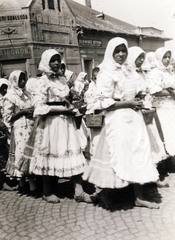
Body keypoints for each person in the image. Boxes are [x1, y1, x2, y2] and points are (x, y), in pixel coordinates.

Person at [82, 37, 160, 210]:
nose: (121, 54)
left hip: (135, 118)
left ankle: (139, 196)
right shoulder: (106, 72)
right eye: (117, 51)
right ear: (111, 52)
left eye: (123, 50)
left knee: (139, 153)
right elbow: (103, 102)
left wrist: (137, 99)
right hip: (117, 118)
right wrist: (127, 104)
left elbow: (136, 90)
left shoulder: (130, 70)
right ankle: (106, 193)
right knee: (117, 155)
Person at [18, 49, 96, 203]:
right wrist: (62, 110)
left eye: (58, 60)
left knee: (74, 152)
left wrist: (71, 107)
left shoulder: (61, 80)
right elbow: (39, 107)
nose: (56, 63)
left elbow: (63, 99)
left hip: (66, 122)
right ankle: (47, 192)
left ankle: (78, 191)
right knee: (50, 154)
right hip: (51, 124)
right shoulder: (42, 81)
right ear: (46, 62)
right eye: (52, 60)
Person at [127, 46, 168, 187]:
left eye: (142, 58)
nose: (141, 61)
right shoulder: (129, 73)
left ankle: (153, 176)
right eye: (138, 58)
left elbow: (149, 89)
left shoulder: (143, 74)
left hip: (147, 108)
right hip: (136, 109)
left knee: (152, 141)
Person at [3, 70, 37, 195]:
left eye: (24, 79)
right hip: (19, 130)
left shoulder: (27, 94)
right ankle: (31, 185)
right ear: (14, 81)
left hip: (30, 127)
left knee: (30, 153)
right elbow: (7, 117)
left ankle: (23, 184)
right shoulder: (10, 96)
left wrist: (32, 111)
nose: (23, 81)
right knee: (22, 154)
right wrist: (22, 112)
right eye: (20, 79)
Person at [147, 47, 175, 157]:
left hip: (171, 104)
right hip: (161, 106)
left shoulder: (169, 72)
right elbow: (154, 90)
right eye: (165, 57)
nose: (167, 60)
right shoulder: (155, 72)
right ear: (159, 58)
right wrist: (170, 93)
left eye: (169, 57)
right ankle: (169, 156)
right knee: (167, 130)